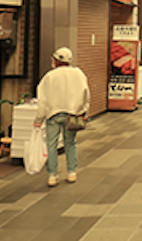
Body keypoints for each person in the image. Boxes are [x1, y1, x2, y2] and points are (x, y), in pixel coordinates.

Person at [33, 47, 90, 187]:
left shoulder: (49, 77)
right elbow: (85, 94)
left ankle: (52, 176)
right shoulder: (78, 74)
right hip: (73, 113)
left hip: (53, 114)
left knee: (51, 145)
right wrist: (84, 111)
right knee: (70, 142)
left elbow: (43, 100)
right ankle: (71, 172)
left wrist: (39, 119)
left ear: (56, 61)